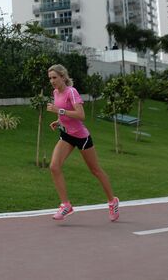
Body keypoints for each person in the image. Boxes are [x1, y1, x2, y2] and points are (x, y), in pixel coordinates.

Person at [45, 64, 119, 222]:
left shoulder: (72, 92)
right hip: (66, 135)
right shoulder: (55, 92)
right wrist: (58, 121)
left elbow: (80, 115)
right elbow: (64, 112)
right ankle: (66, 205)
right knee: (54, 166)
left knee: (95, 170)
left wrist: (59, 111)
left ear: (63, 77)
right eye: (50, 78)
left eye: (54, 77)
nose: (52, 81)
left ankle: (112, 201)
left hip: (81, 138)